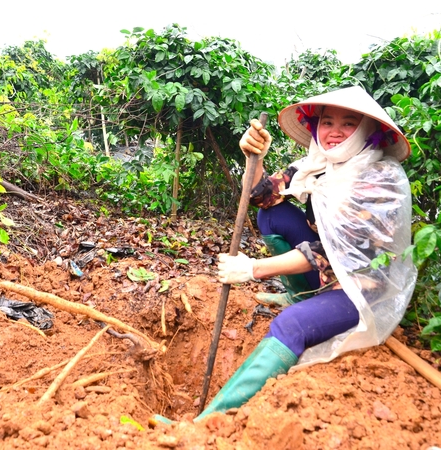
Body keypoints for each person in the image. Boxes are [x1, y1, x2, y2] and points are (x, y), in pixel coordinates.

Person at [156, 85, 417, 424]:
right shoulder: (316, 166)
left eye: (348, 124)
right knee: (271, 215)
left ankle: (207, 422)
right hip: (325, 277)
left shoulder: (378, 181)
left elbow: (329, 253)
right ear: (315, 127)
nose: (335, 132)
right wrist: (257, 158)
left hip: (359, 290)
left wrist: (253, 269)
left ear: (367, 131)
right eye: (327, 122)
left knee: (291, 326)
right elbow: (263, 197)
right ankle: (301, 295)